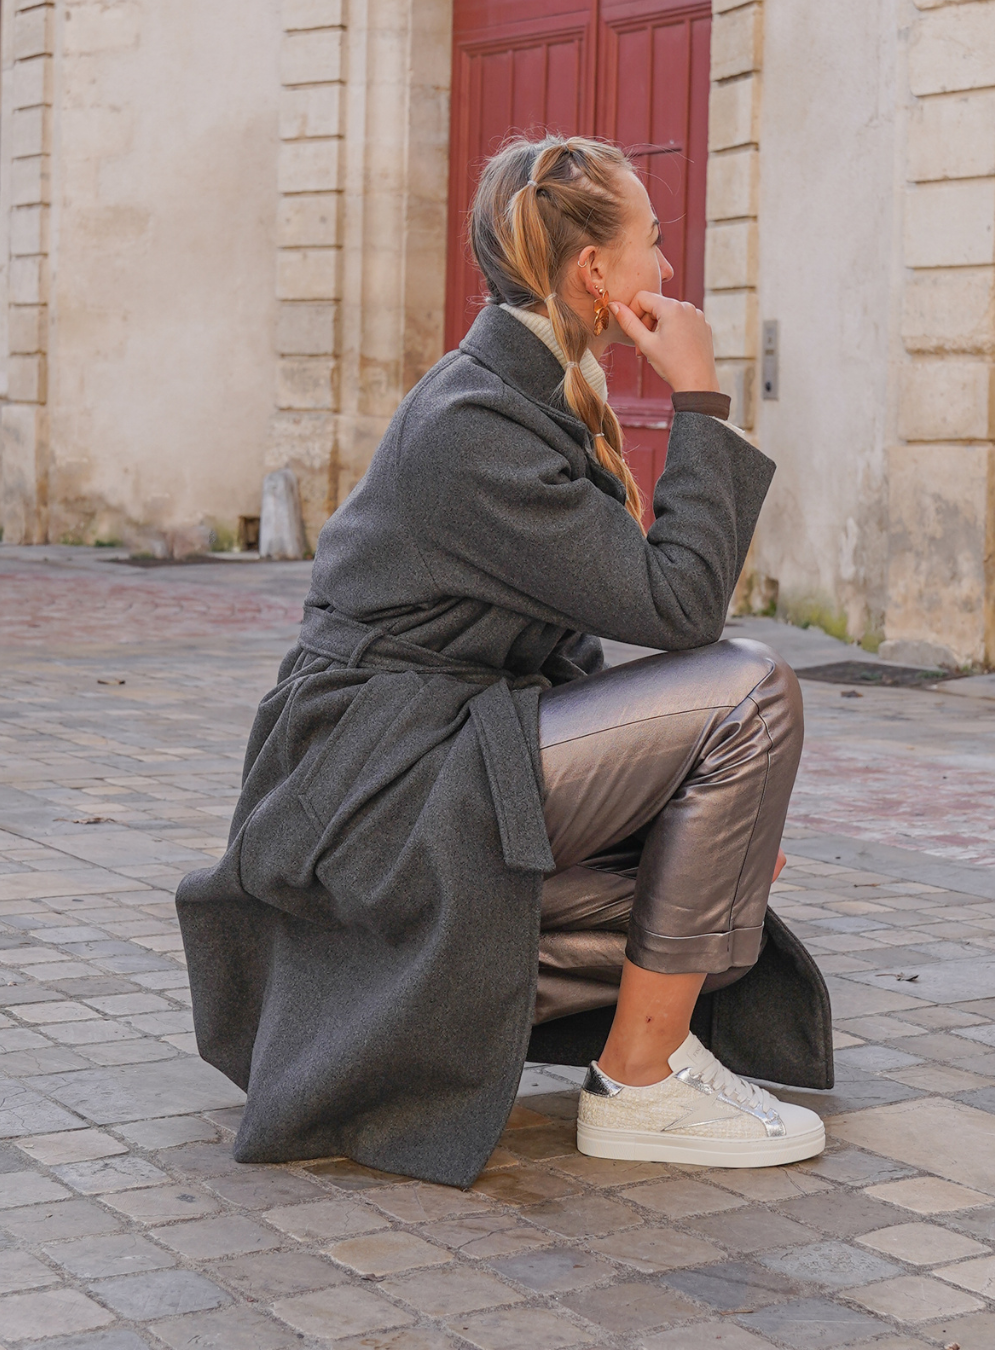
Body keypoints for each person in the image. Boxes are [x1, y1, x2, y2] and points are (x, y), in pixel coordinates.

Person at [176, 134, 831, 1189]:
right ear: (594, 275)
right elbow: (680, 607)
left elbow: (563, 639)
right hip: (384, 786)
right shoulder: (476, 420)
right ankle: (643, 1081)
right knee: (750, 690)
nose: (667, 271)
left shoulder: (520, 390)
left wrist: (671, 822)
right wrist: (701, 393)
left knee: (713, 889)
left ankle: (647, 1057)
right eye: (653, 245)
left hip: (428, 754)